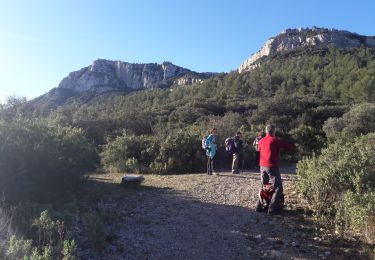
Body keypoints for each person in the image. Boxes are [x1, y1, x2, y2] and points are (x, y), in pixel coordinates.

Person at [258, 124, 293, 214]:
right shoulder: (275, 140)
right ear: (274, 131)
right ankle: (272, 209)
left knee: (264, 186)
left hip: (262, 166)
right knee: (278, 188)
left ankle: (259, 206)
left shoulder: (261, 140)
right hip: (272, 166)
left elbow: (259, 149)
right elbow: (289, 147)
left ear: (266, 131)